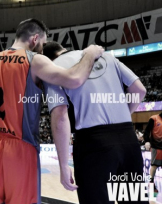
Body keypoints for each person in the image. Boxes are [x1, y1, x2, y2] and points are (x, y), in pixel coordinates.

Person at [0, 18, 104, 204]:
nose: (43, 48)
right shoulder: (34, 60)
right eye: (43, 43)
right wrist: (90, 53)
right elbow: (74, 78)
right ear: (35, 38)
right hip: (20, 149)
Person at [42, 41, 147, 204]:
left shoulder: (52, 69)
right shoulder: (106, 57)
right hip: (128, 141)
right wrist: (122, 116)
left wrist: (63, 165)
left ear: (46, 58)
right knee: (134, 200)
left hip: (94, 145)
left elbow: (60, 116)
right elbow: (140, 90)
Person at [143, 111, 162, 192]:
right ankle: (151, 183)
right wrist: (146, 141)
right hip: (156, 146)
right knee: (154, 166)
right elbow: (146, 131)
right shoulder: (154, 118)